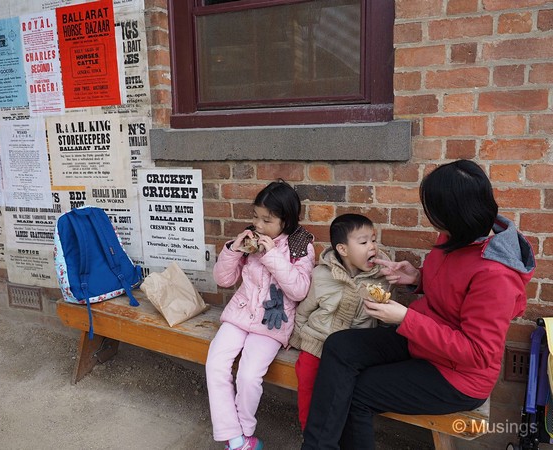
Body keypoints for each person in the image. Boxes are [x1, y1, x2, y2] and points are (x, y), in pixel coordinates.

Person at [301, 159, 536, 450]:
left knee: (357, 393)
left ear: (454, 214)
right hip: (424, 340)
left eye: (433, 211)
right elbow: (454, 290)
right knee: (339, 346)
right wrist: (417, 278)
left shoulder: (496, 275)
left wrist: (404, 319)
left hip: (458, 376)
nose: (429, 217)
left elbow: (478, 353)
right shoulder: (456, 236)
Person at [207, 180, 315, 450]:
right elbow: (223, 279)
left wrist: (272, 255)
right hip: (240, 314)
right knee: (216, 364)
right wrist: (233, 250)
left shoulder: (301, 245)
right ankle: (235, 439)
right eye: (256, 217)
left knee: (248, 375)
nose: (259, 225)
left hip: (272, 322)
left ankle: (243, 433)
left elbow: (300, 290)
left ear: (286, 220)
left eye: (267, 220)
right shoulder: (248, 237)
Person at [289, 213, 392, 431]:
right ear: (343, 249)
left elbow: (387, 321)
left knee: (349, 390)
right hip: (318, 342)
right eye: (363, 242)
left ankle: (341, 431)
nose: (372, 247)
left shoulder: (382, 278)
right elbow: (304, 311)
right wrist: (297, 338)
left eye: (373, 240)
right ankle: (310, 432)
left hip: (357, 349)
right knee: (307, 378)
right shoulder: (322, 275)